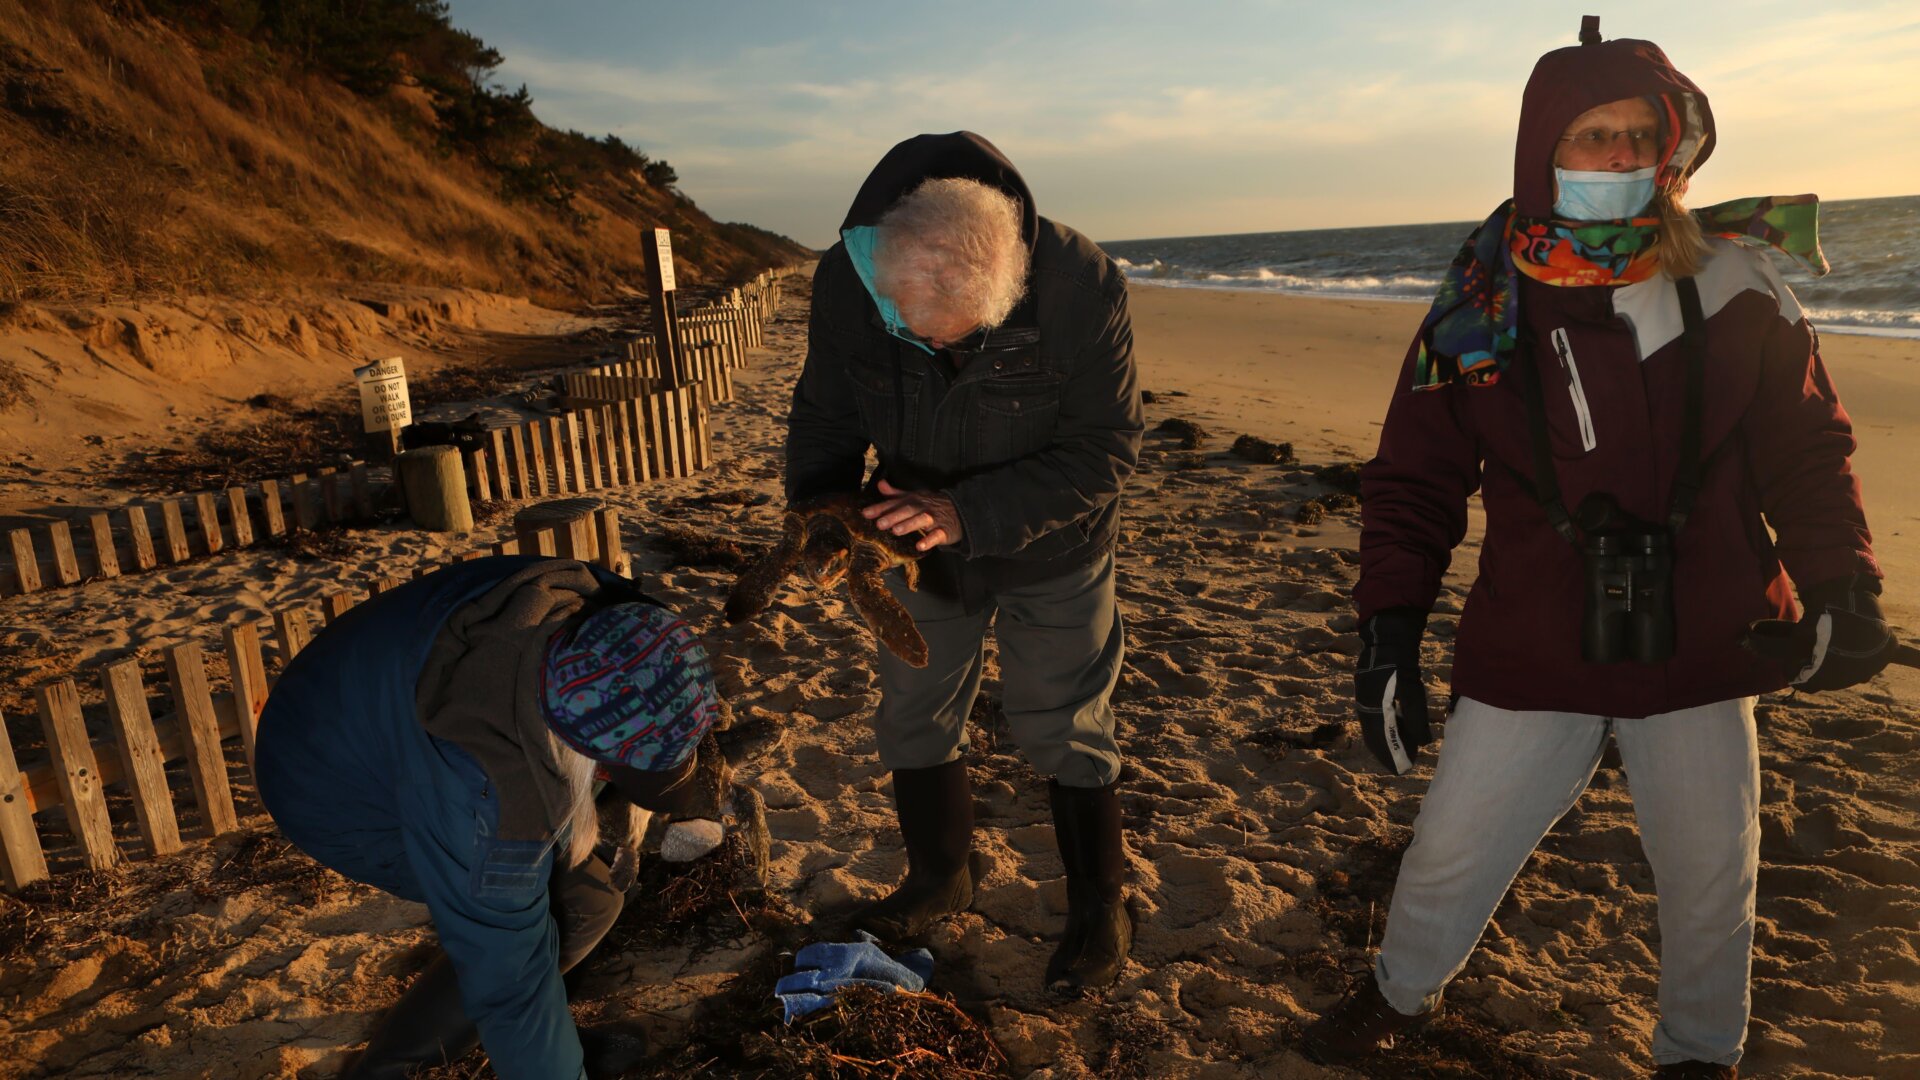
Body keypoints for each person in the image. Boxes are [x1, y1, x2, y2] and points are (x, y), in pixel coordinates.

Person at [1303, 17, 1894, 1079]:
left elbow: (1809, 449)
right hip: (1533, 639)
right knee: (1450, 849)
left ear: (1674, 146)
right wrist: (1388, 624)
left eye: (1639, 134)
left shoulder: (1740, 282)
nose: (1619, 157)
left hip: (1711, 633)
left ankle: (1699, 1057)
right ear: (1545, 152)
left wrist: (1843, 584)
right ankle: (1393, 1001)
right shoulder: (1478, 302)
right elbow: (1415, 479)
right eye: (1592, 135)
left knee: (1715, 874)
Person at [782, 131, 1144, 991]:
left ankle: (1101, 902)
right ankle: (940, 877)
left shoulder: (1079, 285)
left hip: (1054, 542)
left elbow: (1107, 450)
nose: (938, 354)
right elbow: (826, 414)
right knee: (913, 706)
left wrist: (969, 512)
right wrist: (822, 509)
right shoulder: (846, 281)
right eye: (915, 335)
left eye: (960, 341)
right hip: (907, 541)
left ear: (1006, 287)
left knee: (1066, 721)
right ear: (881, 274)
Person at [254, 556, 729, 1079]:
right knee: (522, 932)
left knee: (589, 898)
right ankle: (387, 1070)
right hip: (327, 783)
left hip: (362, 691)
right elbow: (511, 980)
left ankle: (546, 1042)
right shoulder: (490, 799)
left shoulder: (598, 616)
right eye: (612, 776)